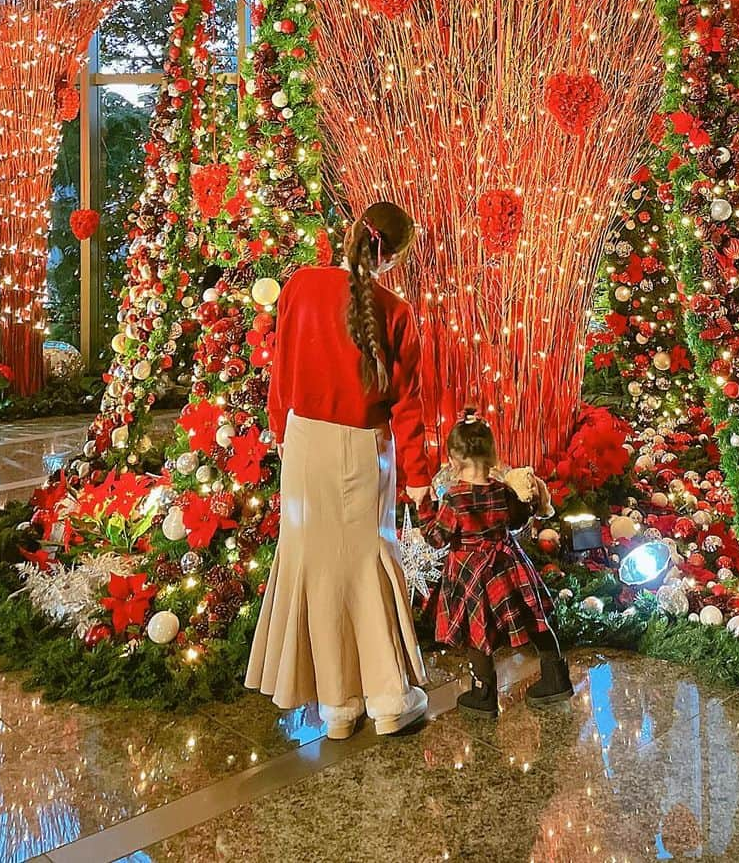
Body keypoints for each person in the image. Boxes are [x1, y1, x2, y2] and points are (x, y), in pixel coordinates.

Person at [245, 202, 432, 739]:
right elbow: (407, 404)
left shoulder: (301, 285)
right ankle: (390, 700)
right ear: (393, 257)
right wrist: (418, 475)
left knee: (315, 569)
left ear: (349, 234)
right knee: (367, 563)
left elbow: (279, 370)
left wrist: (282, 429)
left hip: (304, 444)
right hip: (363, 449)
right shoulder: (395, 310)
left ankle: (338, 709)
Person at [419, 411, 573, 718]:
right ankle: (556, 676)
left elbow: (437, 538)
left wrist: (424, 509)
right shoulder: (503, 490)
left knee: (478, 629)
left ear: (452, 460)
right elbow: (517, 522)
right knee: (533, 618)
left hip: (470, 571)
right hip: (507, 565)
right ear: (492, 456)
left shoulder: (453, 498)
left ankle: (484, 693)